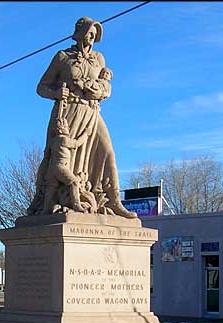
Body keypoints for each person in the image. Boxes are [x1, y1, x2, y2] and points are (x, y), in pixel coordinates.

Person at [27, 16, 136, 218]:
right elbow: (41, 87)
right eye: (89, 34)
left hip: (92, 112)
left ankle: (114, 201)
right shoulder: (62, 57)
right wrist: (57, 92)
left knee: (108, 152)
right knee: (63, 159)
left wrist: (100, 90)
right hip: (68, 113)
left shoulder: (99, 58)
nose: (91, 39)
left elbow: (106, 86)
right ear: (80, 34)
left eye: (95, 36)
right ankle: (62, 198)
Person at [42, 117, 92, 214]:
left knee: (51, 189)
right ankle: (77, 205)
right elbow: (77, 143)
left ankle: (45, 209)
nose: (68, 128)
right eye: (66, 126)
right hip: (61, 167)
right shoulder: (63, 140)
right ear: (61, 129)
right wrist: (86, 134)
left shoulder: (53, 141)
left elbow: (46, 155)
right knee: (74, 182)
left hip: (52, 168)